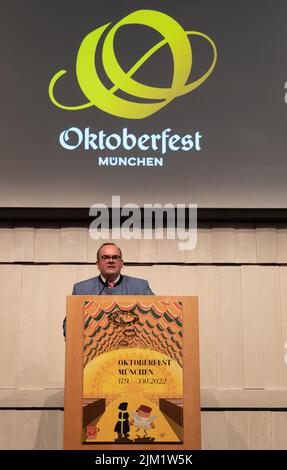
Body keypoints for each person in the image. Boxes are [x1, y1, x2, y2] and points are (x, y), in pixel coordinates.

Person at [63, 242, 154, 336]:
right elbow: (69, 325)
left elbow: (153, 318)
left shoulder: (140, 287)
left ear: (121, 263)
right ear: (98, 264)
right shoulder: (81, 289)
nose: (111, 260)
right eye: (105, 257)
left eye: (115, 257)